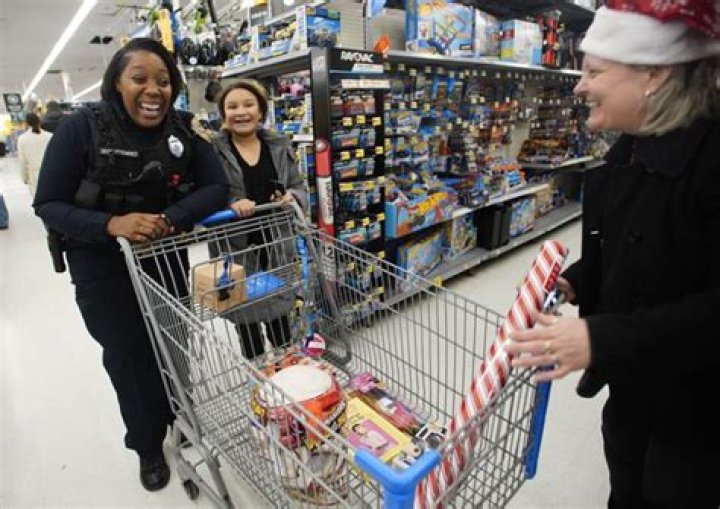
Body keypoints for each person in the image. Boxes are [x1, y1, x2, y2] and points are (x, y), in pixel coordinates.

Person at [506, 4, 720, 507]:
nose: (580, 87)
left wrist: (599, 337)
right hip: (631, 384)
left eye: (595, 72)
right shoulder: (631, 150)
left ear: (654, 74)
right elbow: (635, 245)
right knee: (625, 483)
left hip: (696, 412)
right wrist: (579, 279)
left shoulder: (710, 165)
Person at [33, 38, 228, 493]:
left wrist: (171, 218)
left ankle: (180, 413)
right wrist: (111, 224)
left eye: (163, 81)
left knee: (173, 339)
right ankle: (146, 443)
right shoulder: (81, 128)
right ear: (116, 83)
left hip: (163, 254)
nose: (153, 90)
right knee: (128, 354)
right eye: (139, 78)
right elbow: (48, 203)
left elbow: (216, 186)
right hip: (100, 263)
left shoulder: (184, 129)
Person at [210, 79, 308, 359]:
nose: (241, 112)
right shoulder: (213, 150)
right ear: (223, 113)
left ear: (261, 110)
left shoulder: (278, 145)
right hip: (235, 248)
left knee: (280, 318)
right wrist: (230, 204)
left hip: (276, 243)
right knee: (247, 321)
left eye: (248, 104)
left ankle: (285, 369)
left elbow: (298, 186)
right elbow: (204, 192)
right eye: (232, 106)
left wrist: (292, 196)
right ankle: (258, 371)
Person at [17, 112, 52, 196]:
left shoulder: (22, 139)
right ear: (39, 121)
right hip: (50, 173)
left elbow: (22, 161)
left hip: (34, 175)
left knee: (37, 199)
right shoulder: (50, 136)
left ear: (27, 123)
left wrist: (24, 177)